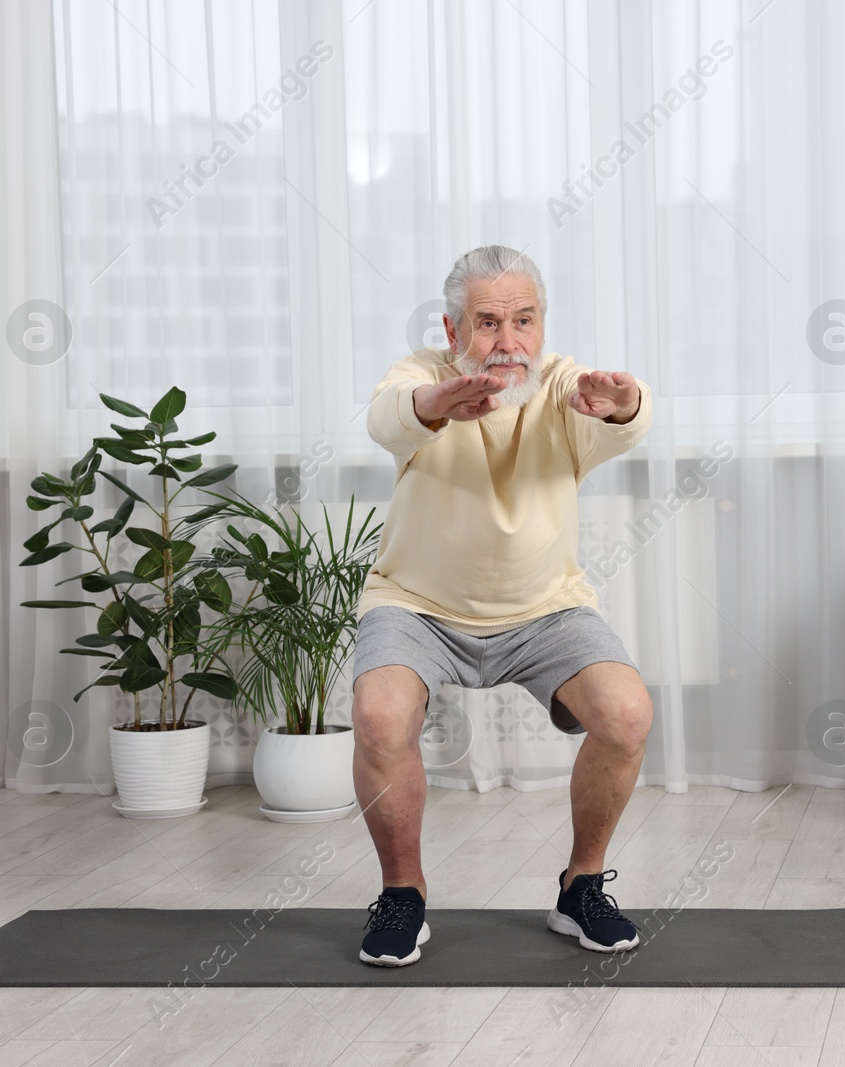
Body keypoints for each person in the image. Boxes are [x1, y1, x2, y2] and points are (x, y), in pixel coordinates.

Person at [351, 245, 654, 966]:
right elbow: (387, 417)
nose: (508, 340)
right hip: (418, 606)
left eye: (524, 320)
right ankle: (403, 893)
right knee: (378, 714)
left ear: (542, 326)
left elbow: (625, 414)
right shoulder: (422, 377)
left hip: (545, 611)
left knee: (627, 712)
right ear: (454, 331)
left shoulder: (561, 385)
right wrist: (436, 404)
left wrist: (626, 402)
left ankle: (581, 888)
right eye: (488, 322)